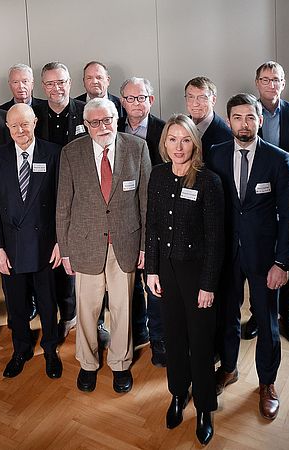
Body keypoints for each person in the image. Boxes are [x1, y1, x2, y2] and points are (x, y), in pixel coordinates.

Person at [207, 93, 289, 421]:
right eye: (237, 117)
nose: (244, 124)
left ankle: (267, 384)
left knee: (267, 319)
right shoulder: (215, 154)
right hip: (226, 255)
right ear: (228, 120)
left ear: (260, 120)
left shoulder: (279, 160)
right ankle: (229, 369)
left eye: (250, 117)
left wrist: (282, 263)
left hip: (264, 258)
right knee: (227, 316)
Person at [56, 97, 151, 393]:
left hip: (126, 243)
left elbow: (146, 203)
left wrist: (145, 246)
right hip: (85, 245)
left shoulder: (137, 148)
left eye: (107, 120)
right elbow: (63, 206)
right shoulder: (71, 153)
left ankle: (121, 364)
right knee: (87, 310)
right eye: (95, 122)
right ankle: (88, 363)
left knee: (123, 308)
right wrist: (65, 250)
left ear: (116, 119)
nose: (102, 127)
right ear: (86, 125)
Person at [145, 114, 224, 445]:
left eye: (185, 139)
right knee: (174, 337)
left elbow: (216, 240)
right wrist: (151, 270)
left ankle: (204, 406)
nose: (178, 147)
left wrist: (208, 285)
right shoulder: (158, 175)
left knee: (201, 341)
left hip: (197, 274)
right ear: (164, 143)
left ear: (195, 143)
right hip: (166, 271)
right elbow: (152, 226)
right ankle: (178, 393)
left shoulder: (208, 181)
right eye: (172, 139)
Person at [243, 61, 289, 343]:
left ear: (283, 84)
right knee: (258, 259)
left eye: (276, 80)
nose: (271, 84)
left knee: (288, 259)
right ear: (257, 83)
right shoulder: (249, 113)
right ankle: (258, 314)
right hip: (258, 201)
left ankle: (287, 314)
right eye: (265, 79)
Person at [0, 103, 63, 379]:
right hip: (11, 247)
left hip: (45, 245)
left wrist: (60, 242)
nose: (20, 130)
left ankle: (51, 349)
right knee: (16, 304)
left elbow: (62, 202)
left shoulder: (53, 153)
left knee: (47, 302)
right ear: (7, 127)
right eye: (14, 125)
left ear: (35, 123)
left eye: (25, 124)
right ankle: (21, 349)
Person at [34, 61, 87, 337]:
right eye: (51, 83)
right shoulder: (34, 115)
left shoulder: (85, 112)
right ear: (43, 87)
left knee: (76, 259)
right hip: (44, 197)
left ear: (70, 83)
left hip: (80, 196)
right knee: (52, 260)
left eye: (61, 82)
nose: (57, 88)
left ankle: (75, 316)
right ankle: (57, 315)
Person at [118, 77, 167, 365]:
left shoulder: (165, 130)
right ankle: (138, 331)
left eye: (142, 97)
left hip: (158, 216)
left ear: (151, 100)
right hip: (126, 219)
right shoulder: (113, 127)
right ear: (122, 101)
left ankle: (159, 340)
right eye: (130, 98)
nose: (136, 103)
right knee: (130, 280)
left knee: (155, 281)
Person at [184, 77, 232, 154]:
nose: (195, 104)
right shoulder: (180, 127)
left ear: (213, 100)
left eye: (202, 98)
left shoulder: (226, 136)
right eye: (191, 97)